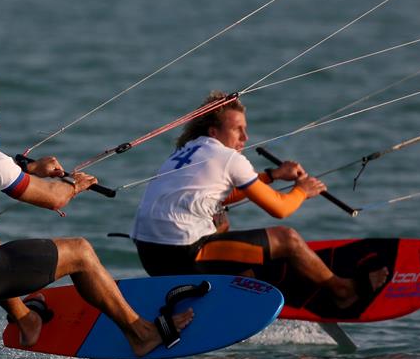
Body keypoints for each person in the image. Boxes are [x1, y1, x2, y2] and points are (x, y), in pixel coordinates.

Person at [0, 80, 192, 357]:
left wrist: (26, 169)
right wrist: (74, 184)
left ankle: (26, 322)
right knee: (80, 251)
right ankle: (141, 334)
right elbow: (53, 198)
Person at [131, 91, 388, 314]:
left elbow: (220, 196)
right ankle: (342, 291)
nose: (245, 136)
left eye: (245, 128)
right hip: (184, 255)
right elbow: (280, 209)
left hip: (150, 255)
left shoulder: (187, 150)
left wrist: (271, 176)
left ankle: (230, 300)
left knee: (221, 225)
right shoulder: (229, 158)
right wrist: (301, 190)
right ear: (214, 131)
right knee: (287, 240)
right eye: (236, 129)